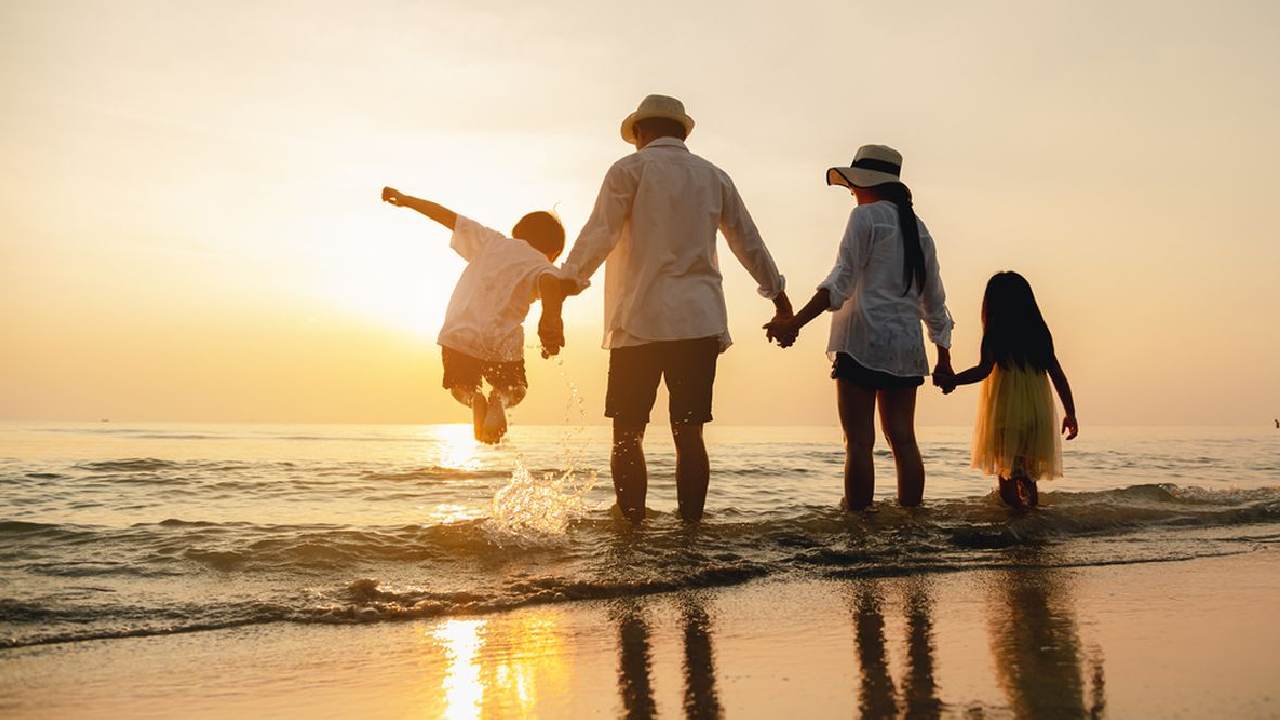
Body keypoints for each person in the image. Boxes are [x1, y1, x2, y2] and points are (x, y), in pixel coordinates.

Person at [539, 94, 792, 523]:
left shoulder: (629, 169)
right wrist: (780, 299)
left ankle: (632, 531)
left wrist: (566, 285)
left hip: (638, 320)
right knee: (689, 434)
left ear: (639, 132)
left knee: (627, 434)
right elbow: (748, 241)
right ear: (682, 131)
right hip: (698, 322)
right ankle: (691, 533)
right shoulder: (714, 177)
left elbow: (597, 234)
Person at [765, 145, 953, 511]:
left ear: (866, 184)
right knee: (904, 440)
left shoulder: (865, 218)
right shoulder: (920, 228)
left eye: (853, 185)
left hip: (862, 341)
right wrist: (943, 356)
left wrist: (794, 323)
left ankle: (859, 528)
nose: (851, 192)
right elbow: (935, 300)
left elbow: (839, 282)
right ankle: (911, 524)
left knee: (859, 442)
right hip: (905, 347)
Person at [381, 186, 564, 443]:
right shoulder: (543, 265)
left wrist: (406, 200)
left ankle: (474, 398)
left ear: (518, 233)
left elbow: (445, 216)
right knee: (516, 389)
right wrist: (551, 321)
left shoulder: (492, 241)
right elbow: (550, 283)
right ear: (554, 252)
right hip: (502, 341)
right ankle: (499, 398)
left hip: (459, 333)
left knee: (460, 386)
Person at [933, 271, 1079, 509]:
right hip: (1036, 415)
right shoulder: (1038, 332)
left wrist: (954, 381)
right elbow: (1057, 374)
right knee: (1027, 475)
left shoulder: (996, 332)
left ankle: (1015, 525)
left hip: (1007, 414)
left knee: (1008, 474)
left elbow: (983, 370)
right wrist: (1070, 412)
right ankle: (1031, 521)